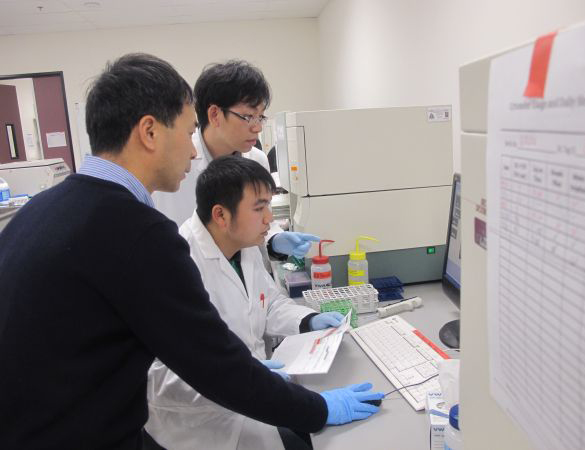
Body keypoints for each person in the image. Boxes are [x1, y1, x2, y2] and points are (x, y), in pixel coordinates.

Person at [0, 53, 383, 449]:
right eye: (187, 133)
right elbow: (214, 366)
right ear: (150, 132)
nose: (194, 151)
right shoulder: (137, 232)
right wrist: (318, 410)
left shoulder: (38, 212)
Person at [147, 156, 345, 449]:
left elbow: (268, 303)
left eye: (269, 205)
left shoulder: (243, 246)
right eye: (259, 208)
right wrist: (241, 377)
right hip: (201, 429)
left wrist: (307, 320)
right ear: (221, 215)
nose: (269, 219)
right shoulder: (178, 264)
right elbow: (159, 376)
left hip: (252, 402)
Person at [153, 60, 318, 260]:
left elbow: (261, 221)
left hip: (246, 273)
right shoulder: (176, 164)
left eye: (261, 117)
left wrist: (274, 240)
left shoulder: (256, 160)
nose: (257, 127)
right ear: (215, 114)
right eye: (248, 117)